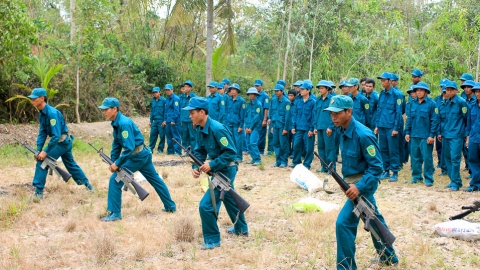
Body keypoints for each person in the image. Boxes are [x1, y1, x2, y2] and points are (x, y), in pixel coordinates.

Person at [323, 95, 398, 270]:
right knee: (372, 218)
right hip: (352, 184)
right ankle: (389, 257)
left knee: (343, 223)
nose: (332, 117)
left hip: (363, 185)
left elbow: (377, 168)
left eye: (336, 113)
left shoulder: (363, 135)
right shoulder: (342, 129)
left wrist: (359, 187)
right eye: (330, 113)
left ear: (349, 112)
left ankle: (345, 267)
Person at [184, 97, 248, 249]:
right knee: (230, 199)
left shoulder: (217, 129)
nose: (190, 116)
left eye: (192, 113)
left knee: (206, 205)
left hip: (226, 169)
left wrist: (211, 164)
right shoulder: (200, 128)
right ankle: (241, 229)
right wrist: (196, 166)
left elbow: (231, 153)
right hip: (217, 169)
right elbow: (200, 150)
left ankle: (212, 239)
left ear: (202, 112)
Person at [97, 97, 176, 221]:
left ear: (114, 109)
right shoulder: (116, 122)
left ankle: (115, 213)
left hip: (137, 157)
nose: (104, 112)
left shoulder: (124, 123)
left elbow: (128, 148)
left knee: (115, 181)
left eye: (106, 109)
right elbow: (117, 144)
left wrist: (117, 164)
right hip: (142, 154)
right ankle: (170, 206)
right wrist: (113, 161)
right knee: (156, 180)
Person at [27, 88, 94, 199]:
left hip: (62, 142)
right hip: (63, 142)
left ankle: (38, 193)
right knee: (71, 164)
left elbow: (56, 136)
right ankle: (88, 186)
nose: (32, 100)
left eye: (34, 98)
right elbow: (42, 132)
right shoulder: (42, 114)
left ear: (42, 98)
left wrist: (45, 151)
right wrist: (38, 149)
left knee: (42, 162)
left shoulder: (52, 113)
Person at [404, 82, 439, 186]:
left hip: (425, 136)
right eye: (417, 90)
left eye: (421, 90)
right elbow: (409, 119)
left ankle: (428, 178)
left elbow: (434, 121)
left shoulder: (432, 104)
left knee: (427, 157)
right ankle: (416, 177)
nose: (418, 92)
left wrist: (432, 135)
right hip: (414, 135)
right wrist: (407, 132)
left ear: (426, 92)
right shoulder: (412, 104)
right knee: (415, 157)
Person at [438, 81, 468, 191]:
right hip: (446, 134)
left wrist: (465, 134)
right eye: (447, 90)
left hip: (456, 135)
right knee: (447, 158)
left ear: (456, 90)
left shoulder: (461, 102)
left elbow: (466, 118)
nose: (449, 92)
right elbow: (443, 119)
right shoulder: (445, 103)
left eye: (451, 90)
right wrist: (440, 132)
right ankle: (453, 180)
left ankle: (456, 182)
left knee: (455, 159)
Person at [374, 72, 403, 182]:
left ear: (390, 81)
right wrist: (377, 125)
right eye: (381, 80)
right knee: (383, 149)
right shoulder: (381, 94)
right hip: (382, 126)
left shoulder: (397, 95)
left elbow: (398, 113)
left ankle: (395, 172)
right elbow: (379, 110)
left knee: (393, 150)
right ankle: (386, 170)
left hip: (391, 127)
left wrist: (396, 128)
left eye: (384, 80)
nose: (382, 82)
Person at [291, 81, 316, 169]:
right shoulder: (298, 102)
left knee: (308, 148)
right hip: (299, 128)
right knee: (296, 145)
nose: (300, 91)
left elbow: (314, 117)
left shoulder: (313, 102)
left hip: (308, 128)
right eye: (300, 89)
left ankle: (307, 164)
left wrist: (311, 129)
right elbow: (295, 114)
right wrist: (293, 126)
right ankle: (296, 162)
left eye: (302, 89)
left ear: (308, 90)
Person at [313, 80, 336, 173]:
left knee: (329, 148)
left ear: (327, 89)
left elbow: (334, 114)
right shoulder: (318, 100)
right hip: (320, 127)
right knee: (321, 148)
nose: (320, 90)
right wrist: (315, 127)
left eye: (322, 88)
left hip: (328, 127)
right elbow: (316, 114)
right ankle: (323, 166)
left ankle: (331, 168)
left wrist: (331, 127)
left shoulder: (332, 99)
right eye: (319, 88)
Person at [269, 84, 290, 168]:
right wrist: (271, 125)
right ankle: (278, 161)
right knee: (276, 144)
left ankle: (284, 161)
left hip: (282, 126)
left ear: (282, 91)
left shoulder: (286, 102)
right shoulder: (273, 100)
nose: (276, 92)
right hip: (275, 125)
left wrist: (285, 128)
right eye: (275, 91)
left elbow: (287, 116)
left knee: (283, 144)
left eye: (278, 91)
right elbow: (271, 112)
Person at [224, 83, 246, 162]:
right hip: (229, 123)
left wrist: (241, 125)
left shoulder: (241, 101)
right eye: (231, 90)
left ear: (237, 91)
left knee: (238, 141)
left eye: (234, 90)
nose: (232, 91)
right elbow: (226, 112)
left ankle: (239, 157)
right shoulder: (228, 100)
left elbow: (242, 114)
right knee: (230, 140)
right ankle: (232, 156)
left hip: (237, 124)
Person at [465, 82, 480, 192]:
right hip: (474, 138)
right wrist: (468, 137)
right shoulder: (472, 105)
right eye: (476, 92)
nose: (478, 94)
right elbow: (469, 123)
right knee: (473, 160)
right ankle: (475, 184)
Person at [460, 80, 476, 174]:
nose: (466, 89)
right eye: (465, 87)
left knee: (472, 151)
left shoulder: (476, 100)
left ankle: (473, 171)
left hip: (474, 129)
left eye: (469, 87)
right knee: (465, 150)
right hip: (464, 127)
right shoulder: (464, 100)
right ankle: (469, 168)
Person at [244, 87, 263, 165]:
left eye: (252, 94)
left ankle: (258, 159)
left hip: (255, 128)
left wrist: (250, 127)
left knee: (253, 143)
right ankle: (253, 158)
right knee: (248, 143)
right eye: (250, 94)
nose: (251, 95)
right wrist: (246, 127)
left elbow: (256, 118)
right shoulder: (249, 105)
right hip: (248, 127)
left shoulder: (258, 104)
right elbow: (246, 116)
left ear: (255, 95)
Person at [435, 80, 449, 176]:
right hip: (439, 128)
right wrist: (438, 131)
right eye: (443, 91)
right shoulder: (437, 100)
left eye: (445, 91)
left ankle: (447, 168)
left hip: (449, 130)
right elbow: (437, 116)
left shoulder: (454, 102)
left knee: (447, 151)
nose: (444, 93)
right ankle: (442, 165)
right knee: (439, 148)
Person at [179, 80, 197, 156]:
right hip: (183, 120)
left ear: (191, 88)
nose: (185, 88)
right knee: (184, 136)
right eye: (185, 86)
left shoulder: (194, 97)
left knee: (192, 136)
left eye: (187, 87)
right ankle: (187, 150)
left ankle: (193, 151)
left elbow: (196, 109)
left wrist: (195, 121)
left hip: (191, 120)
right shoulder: (182, 97)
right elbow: (180, 108)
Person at [164, 84, 182, 155]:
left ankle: (178, 151)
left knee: (176, 136)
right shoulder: (167, 99)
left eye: (169, 90)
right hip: (168, 120)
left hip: (174, 121)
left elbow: (176, 111)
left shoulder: (176, 99)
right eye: (166, 90)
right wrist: (165, 120)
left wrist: (173, 120)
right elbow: (166, 110)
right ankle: (170, 150)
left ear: (172, 90)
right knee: (169, 136)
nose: (167, 91)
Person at [254, 79, 270, 155]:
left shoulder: (265, 96)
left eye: (258, 86)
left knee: (262, 134)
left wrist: (264, 119)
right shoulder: (254, 95)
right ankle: (255, 149)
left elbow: (266, 108)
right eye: (255, 86)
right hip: (255, 118)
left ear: (261, 86)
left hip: (261, 118)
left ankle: (261, 150)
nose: (256, 87)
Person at [149, 87, 167, 154]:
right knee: (153, 134)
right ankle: (150, 148)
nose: (155, 94)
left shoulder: (163, 100)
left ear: (159, 92)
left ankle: (160, 149)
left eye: (156, 92)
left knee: (162, 135)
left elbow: (166, 111)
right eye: (154, 92)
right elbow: (152, 111)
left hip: (161, 120)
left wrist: (165, 120)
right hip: (155, 121)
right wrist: (150, 121)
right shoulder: (153, 101)